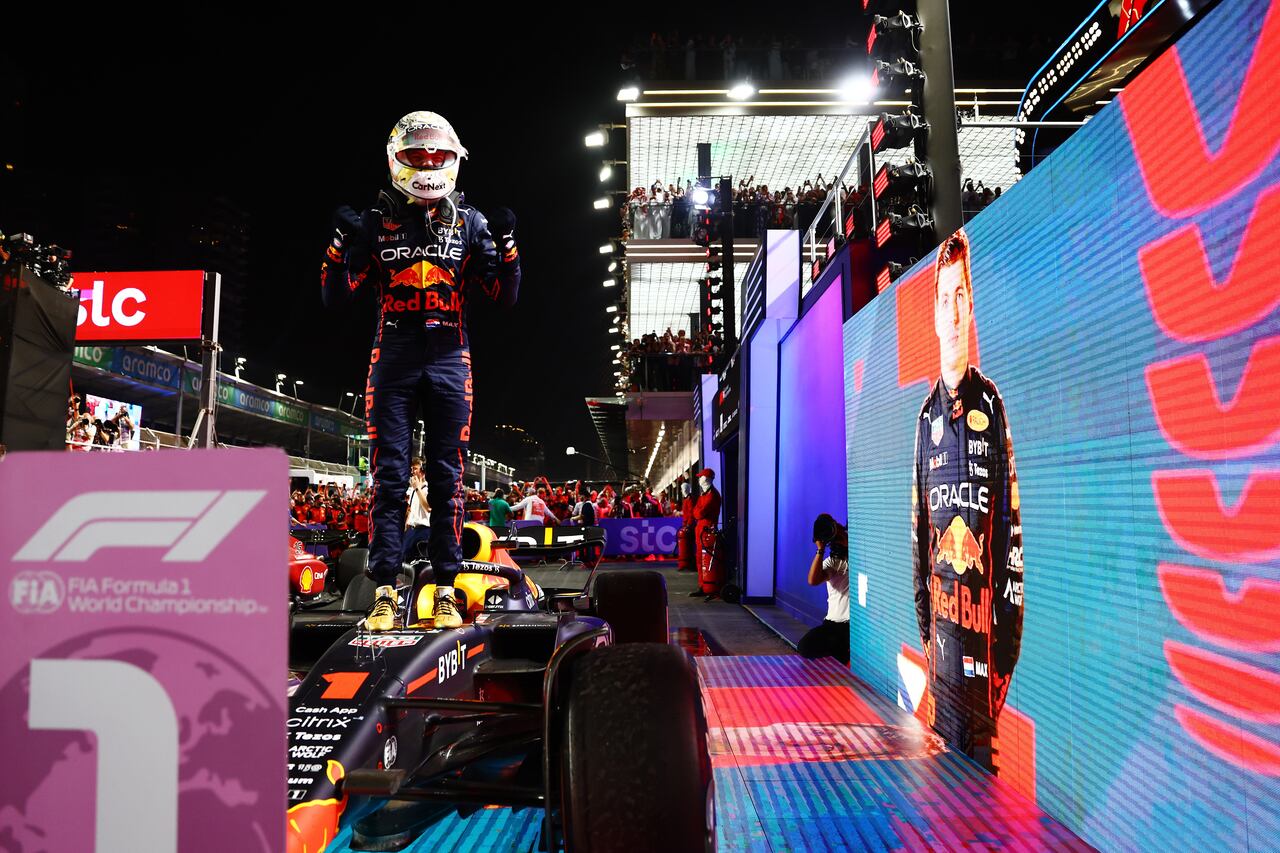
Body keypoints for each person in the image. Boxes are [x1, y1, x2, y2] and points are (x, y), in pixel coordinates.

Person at [322, 110, 520, 631]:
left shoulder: (471, 222)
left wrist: (508, 246)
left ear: (455, 159)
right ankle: (385, 591)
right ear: (396, 158)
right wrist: (339, 246)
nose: (429, 162)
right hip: (393, 355)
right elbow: (334, 297)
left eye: (438, 154)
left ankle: (446, 590)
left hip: (451, 356)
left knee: (447, 481)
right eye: (419, 154)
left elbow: (505, 297)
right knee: (390, 480)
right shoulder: (372, 221)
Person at [911, 228, 1023, 773]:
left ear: (971, 310)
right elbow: (917, 537)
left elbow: (1010, 535)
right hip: (942, 661)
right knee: (941, 798)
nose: (953, 314)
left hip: (984, 667)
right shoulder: (925, 416)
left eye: (963, 298)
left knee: (983, 799)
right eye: (945, 298)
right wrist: (926, 631)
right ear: (932, 313)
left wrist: (1003, 651)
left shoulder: (992, 404)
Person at [798, 513, 850, 665]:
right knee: (805, 647)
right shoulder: (833, 563)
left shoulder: (861, 557)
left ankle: (844, 652)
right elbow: (812, 580)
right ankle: (842, 651)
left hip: (856, 625)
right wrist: (820, 549)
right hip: (834, 624)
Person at [692, 468, 723, 598]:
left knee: (706, 560)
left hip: (706, 531)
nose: (699, 479)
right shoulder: (705, 494)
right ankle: (703, 585)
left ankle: (710, 586)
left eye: (700, 477)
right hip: (701, 530)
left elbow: (698, 513)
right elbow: (696, 512)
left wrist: (698, 512)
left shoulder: (712, 495)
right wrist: (698, 512)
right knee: (700, 559)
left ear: (706, 478)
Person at [402, 457, 432, 564]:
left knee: (419, 564)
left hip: (423, 531)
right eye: (412, 469)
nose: (412, 472)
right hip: (411, 530)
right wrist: (406, 526)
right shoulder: (413, 490)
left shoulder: (428, 489)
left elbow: (428, 508)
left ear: (423, 471)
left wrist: (417, 488)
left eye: (415, 468)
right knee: (404, 561)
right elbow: (410, 510)